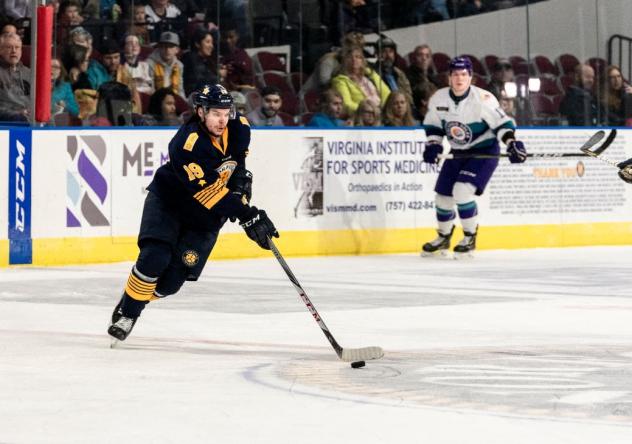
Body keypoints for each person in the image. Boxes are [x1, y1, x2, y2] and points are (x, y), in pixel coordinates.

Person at [107, 83, 279, 342]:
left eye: (226, 112)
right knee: (155, 257)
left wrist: (241, 182)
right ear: (200, 112)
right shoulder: (186, 145)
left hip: (205, 220)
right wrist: (248, 214)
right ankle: (129, 311)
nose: (222, 120)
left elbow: (237, 162)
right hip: (169, 204)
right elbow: (210, 193)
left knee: (171, 283)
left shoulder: (240, 126)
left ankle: (135, 296)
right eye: (215, 113)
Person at [421, 57, 527, 256]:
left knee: (461, 191)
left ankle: (469, 238)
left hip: (483, 152)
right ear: (449, 78)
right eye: (455, 75)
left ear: (471, 77)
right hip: (458, 152)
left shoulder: (484, 99)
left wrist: (512, 144)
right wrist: (433, 144)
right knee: (443, 198)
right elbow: (434, 126)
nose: (459, 79)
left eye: (463, 74)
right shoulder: (439, 98)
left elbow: (502, 125)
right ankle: (444, 237)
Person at [331, 45, 390, 117]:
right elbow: (347, 105)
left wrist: (383, 109)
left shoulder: (370, 74)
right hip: (361, 117)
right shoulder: (340, 80)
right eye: (350, 57)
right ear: (344, 61)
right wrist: (370, 110)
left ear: (362, 60)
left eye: (358, 57)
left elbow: (386, 93)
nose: (354, 59)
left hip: (382, 112)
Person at [0, 32, 30, 122]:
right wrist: (17, 113)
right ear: (0, 50)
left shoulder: (29, 73)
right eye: (9, 47)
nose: (14, 51)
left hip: (30, 119)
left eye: (17, 47)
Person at [375, 36, 412, 105]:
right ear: (377, 54)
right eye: (384, 52)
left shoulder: (399, 73)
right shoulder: (374, 74)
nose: (388, 55)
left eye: (391, 52)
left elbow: (408, 95)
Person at [147, 31, 185, 98]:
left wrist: (183, 105)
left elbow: (180, 90)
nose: (167, 50)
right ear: (159, 48)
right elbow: (150, 89)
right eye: (164, 46)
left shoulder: (179, 65)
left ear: (177, 49)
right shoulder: (149, 63)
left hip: (174, 100)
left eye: (171, 46)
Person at [181, 27, 218, 96]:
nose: (211, 46)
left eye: (212, 43)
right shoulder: (191, 59)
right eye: (208, 42)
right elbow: (199, 83)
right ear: (197, 44)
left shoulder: (207, 60)